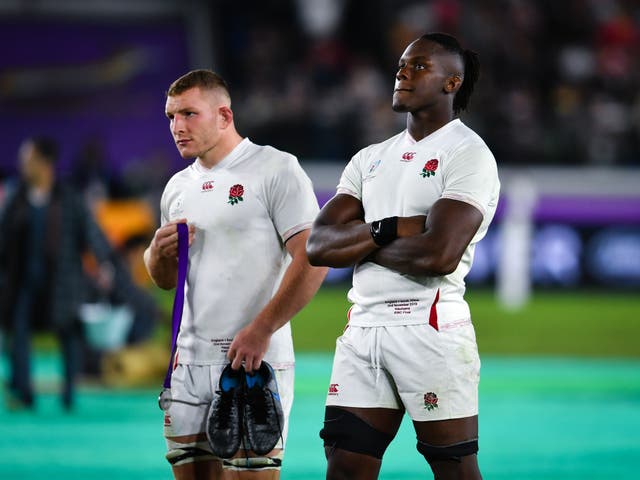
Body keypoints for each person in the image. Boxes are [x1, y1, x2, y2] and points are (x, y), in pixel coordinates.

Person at [306, 32, 500, 479]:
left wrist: (360, 246)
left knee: (453, 468)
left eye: (418, 66)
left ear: (452, 83)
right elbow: (317, 246)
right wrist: (390, 228)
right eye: (400, 65)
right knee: (345, 464)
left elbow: (439, 254)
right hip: (364, 328)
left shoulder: (468, 154)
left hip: (428, 325)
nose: (402, 73)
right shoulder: (371, 158)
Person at [144, 69, 327, 480]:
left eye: (189, 114)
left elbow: (313, 259)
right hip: (187, 365)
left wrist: (262, 329)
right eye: (171, 116)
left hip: (252, 362)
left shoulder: (275, 169)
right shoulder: (176, 187)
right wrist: (157, 254)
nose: (177, 127)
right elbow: (164, 279)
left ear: (224, 116)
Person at [0, 136, 116, 410]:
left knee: (69, 334)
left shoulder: (69, 196)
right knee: (17, 332)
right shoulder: (15, 196)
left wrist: (103, 264)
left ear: (45, 162)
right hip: (23, 281)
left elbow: (91, 232)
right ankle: (22, 391)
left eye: (29, 159)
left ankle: (68, 392)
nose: (23, 165)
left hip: (63, 280)